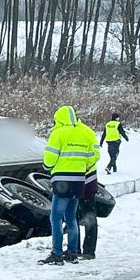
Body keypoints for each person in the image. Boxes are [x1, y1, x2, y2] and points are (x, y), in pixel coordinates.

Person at [38, 106, 96, 265]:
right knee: (71, 218)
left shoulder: (58, 133)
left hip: (62, 181)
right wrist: (81, 168)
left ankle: (56, 253)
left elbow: (50, 158)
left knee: (55, 218)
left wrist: (47, 167)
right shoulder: (83, 133)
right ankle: (72, 252)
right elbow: (92, 157)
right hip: (78, 181)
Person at [77, 131, 102, 260]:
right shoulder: (88, 132)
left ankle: (74, 249)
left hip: (71, 182)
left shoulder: (60, 133)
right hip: (88, 181)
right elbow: (96, 154)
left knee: (73, 217)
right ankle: (88, 251)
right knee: (89, 215)